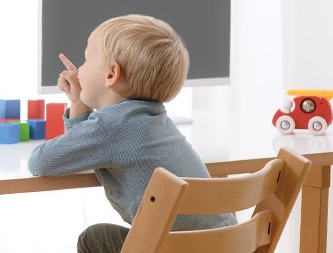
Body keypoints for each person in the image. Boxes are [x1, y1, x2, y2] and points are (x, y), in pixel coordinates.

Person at [28, 14, 236, 253]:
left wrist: (78, 104)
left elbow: (41, 162)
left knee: (93, 238)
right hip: (231, 242)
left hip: (181, 249)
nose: (80, 69)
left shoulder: (111, 125)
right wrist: (78, 102)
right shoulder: (154, 118)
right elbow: (84, 148)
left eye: (86, 60)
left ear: (111, 74)